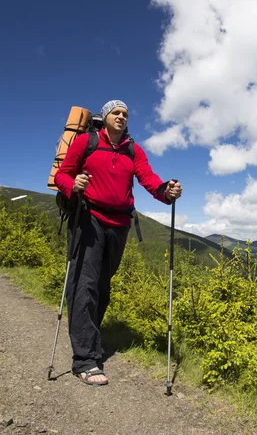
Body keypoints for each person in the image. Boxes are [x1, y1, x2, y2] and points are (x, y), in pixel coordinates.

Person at [54, 100, 182, 386]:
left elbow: (148, 180)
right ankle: (85, 360)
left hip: (120, 224)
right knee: (84, 283)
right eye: (117, 113)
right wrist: (71, 185)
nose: (122, 117)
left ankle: (89, 337)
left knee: (102, 285)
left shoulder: (132, 150)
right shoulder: (86, 142)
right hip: (89, 218)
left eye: (126, 114)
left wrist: (166, 191)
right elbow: (63, 173)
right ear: (105, 116)